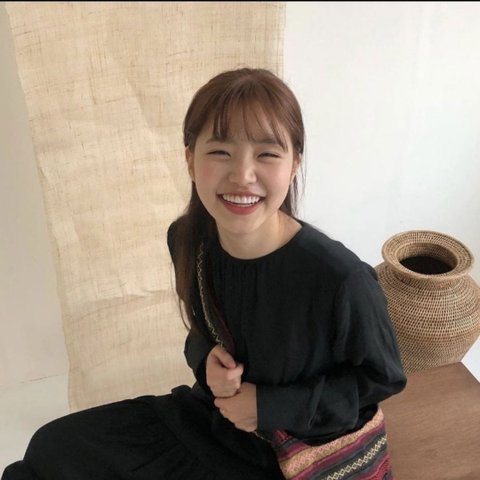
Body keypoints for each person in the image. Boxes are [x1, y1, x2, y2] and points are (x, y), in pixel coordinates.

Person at [2, 68, 406, 480]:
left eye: (267, 154)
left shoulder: (340, 279)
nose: (242, 175)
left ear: (294, 164)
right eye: (220, 152)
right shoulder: (187, 240)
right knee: (49, 449)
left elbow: (382, 380)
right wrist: (205, 360)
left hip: (292, 451)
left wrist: (268, 406)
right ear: (190, 160)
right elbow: (202, 334)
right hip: (208, 421)